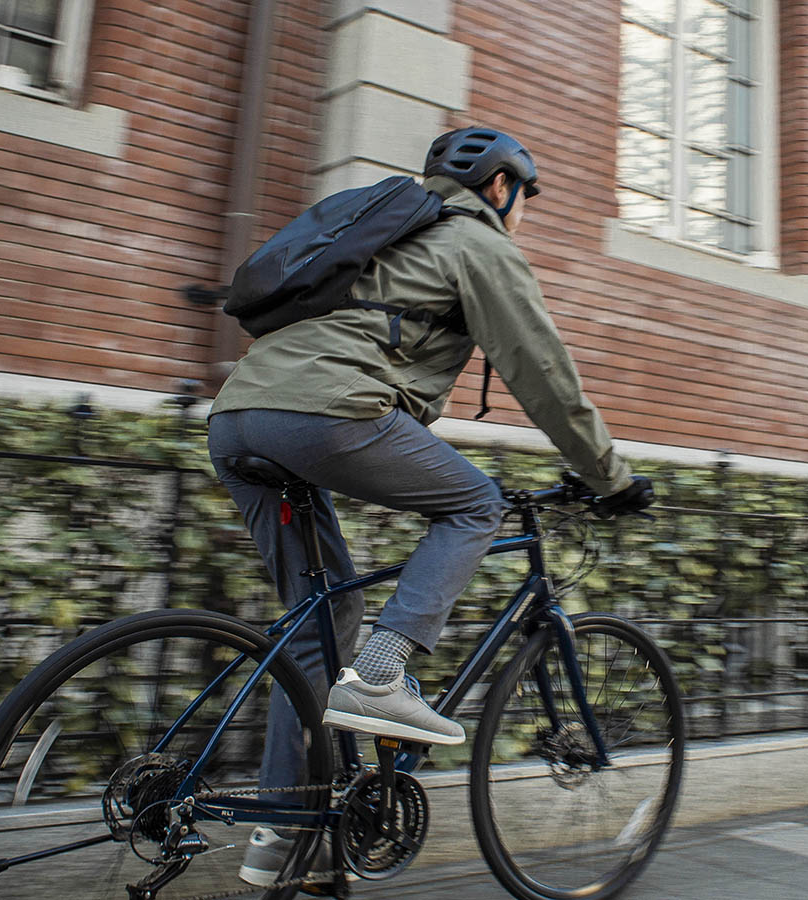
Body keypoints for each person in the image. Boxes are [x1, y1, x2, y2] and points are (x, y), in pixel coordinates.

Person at [206, 126, 652, 886]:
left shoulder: (389, 240)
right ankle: (382, 677)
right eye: (523, 201)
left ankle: (284, 841)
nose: (521, 215)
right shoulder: (478, 244)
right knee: (476, 505)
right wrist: (610, 478)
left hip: (237, 420)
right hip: (328, 416)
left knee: (319, 628)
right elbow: (543, 374)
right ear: (503, 189)